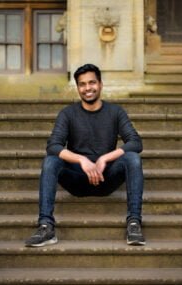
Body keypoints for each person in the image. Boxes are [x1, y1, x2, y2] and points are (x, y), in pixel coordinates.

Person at [25, 64, 145, 247]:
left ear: (101, 84)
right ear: (78, 87)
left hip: (107, 178)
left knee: (133, 158)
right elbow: (53, 146)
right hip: (77, 179)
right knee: (51, 161)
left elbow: (135, 142)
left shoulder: (115, 112)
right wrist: (82, 160)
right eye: (82, 84)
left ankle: (134, 223)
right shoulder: (68, 114)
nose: (87, 88)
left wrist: (104, 159)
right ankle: (46, 226)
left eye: (92, 83)